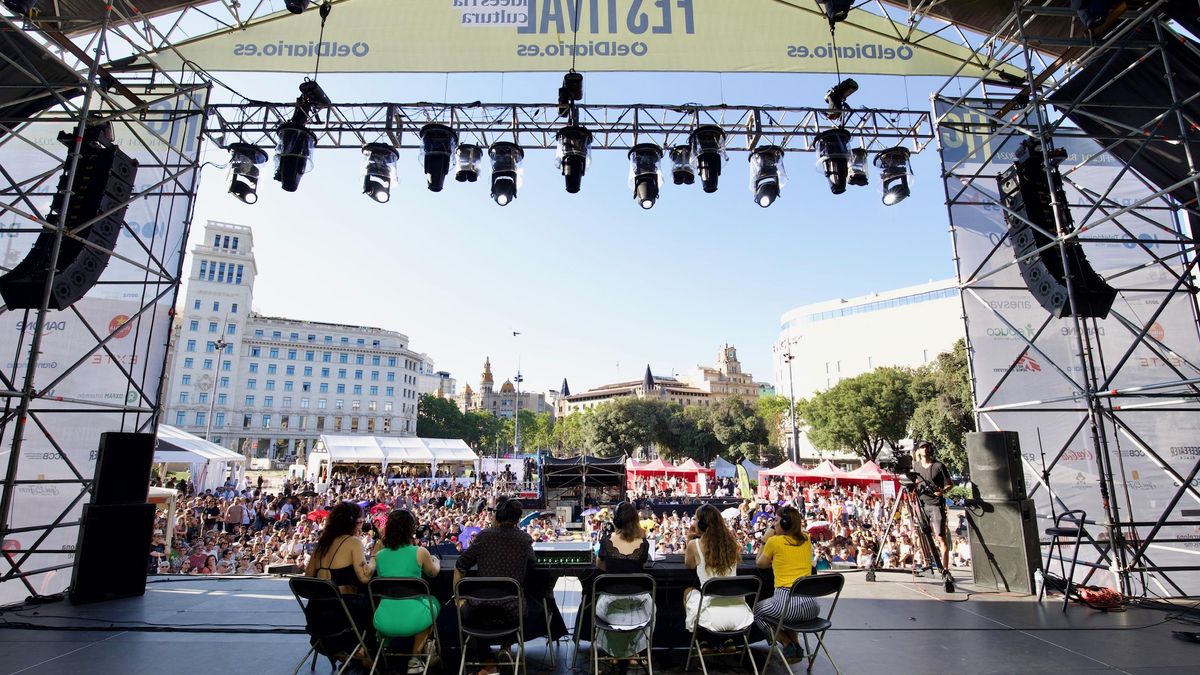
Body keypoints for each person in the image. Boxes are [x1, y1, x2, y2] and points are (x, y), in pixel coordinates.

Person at [454, 497, 535, 671]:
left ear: (497, 515)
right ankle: (506, 646)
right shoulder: (524, 539)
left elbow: (461, 565)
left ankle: (487, 661)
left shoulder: (484, 536)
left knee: (473, 611)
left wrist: (458, 598)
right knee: (519, 603)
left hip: (479, 609)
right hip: (512, 611)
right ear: (518, 519)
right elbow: (533, 564)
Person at [303, 501, 375, 662]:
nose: (362, 523)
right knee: (373, 601)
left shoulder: (323, 542)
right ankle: (363, 650)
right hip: (341, 615)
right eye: (361, 520)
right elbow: (364, 577)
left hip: (315, 614)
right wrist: (374, 559)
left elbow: (308, 576)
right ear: (352, 522)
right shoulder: (353, 542)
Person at [372, 510, 441, 674]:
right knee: (433, 603)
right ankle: (415, 658)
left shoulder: (380, 555)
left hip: (383, 619)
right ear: (411, 529)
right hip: (412, 619)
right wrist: (435, 561)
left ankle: (386, 647)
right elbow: (433, 573)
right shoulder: (420, 552)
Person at [754, 505, 818, 659]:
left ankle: (786, 643)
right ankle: (796, 644)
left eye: (775, 521)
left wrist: (764, 539)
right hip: (812, 607)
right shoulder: (806, 539)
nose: (773, 524)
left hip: (786, 604)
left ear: (784, 523)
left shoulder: (774, 541)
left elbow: (760, 563)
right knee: (785, 614)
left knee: (757, 612)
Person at [683, 504, 754, 637]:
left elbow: (689, 565)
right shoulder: (731, 543)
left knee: (688, 592)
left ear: (702, 524)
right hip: (739, 614)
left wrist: (689, 539)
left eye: (696, 519)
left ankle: (703, 642)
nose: (694, 522)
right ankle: (728, 641)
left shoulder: (695, 545)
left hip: (712, 616)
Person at [593, 501, 652, 659]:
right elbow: (643, 565)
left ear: (616, 521)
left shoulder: (606, 542)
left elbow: (600, 566)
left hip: (610, 607)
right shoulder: (644, 544)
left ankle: (617, 653)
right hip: (640, 608)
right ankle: (631, 652)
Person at [914, 440, 953, 576]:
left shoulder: (939, 466)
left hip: (936, 504)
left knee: (940, 536)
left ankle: (945, 569)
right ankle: (926, 564)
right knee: (923, 535)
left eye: (926, 447)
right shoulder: (916, 466)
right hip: (921, 504)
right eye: (921, 447)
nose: (924, 449)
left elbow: (949, 484)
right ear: (918, 451)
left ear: (929, 449)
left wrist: (942, 491)